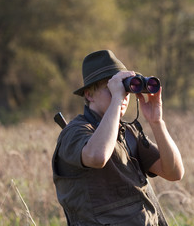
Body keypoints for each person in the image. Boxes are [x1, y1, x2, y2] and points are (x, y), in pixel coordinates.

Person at [52, 49, 184, 226]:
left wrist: (157, 121)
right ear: (89, 94)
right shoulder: (75, 132)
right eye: (111, 89)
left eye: (125, 90)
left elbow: (174, 172)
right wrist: (116, 99)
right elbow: (98, 157)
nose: (122, 97)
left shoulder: (128, 132)